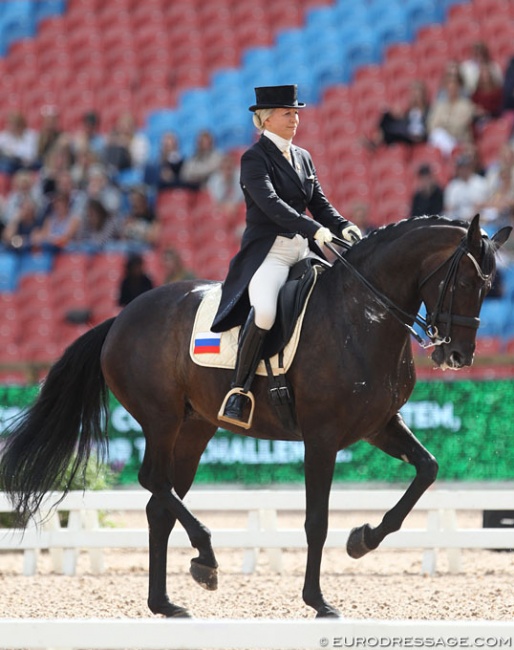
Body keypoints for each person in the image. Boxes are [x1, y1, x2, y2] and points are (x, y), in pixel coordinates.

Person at [211, 85, 362, 428]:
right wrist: (314, 231)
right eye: (287, 113)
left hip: (304, 250)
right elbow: (272, 206)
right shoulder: (253, 158)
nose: (295, 118)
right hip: (271, 254)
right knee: (264, 312)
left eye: (296, 113)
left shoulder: (303, 156)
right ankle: (239, 390)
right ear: (265, 119)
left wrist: (343, 226)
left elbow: (319, 202)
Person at [363, 80, 430, 150]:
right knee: (387, 118)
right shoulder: (409, 111)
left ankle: (375, 144)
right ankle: (374, 143)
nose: (415, 98)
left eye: (417, 94)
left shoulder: (427, 111)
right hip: (406, 134)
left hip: (418, 136)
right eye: (413, 95)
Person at [427, 69, 476, 157]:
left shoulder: (466, 105)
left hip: (460, 141)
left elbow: (460, 127)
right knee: (437, 135)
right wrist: (448, 124)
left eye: (454, 85)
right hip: (441, 142)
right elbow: (431, 125)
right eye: (449, 85)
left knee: (439, 134)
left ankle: (453, 154)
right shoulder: (439, 106)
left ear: (458, 87)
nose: (451, 88)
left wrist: (443, 123)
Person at [443, 153, 489, 222]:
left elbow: (485, 204)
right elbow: (449, 207)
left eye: (466, 167)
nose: (464, 170)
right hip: (458, 221)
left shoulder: (480, 183)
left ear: (471, 168)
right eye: (461, 168)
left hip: (478, 220)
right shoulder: (453, 186)